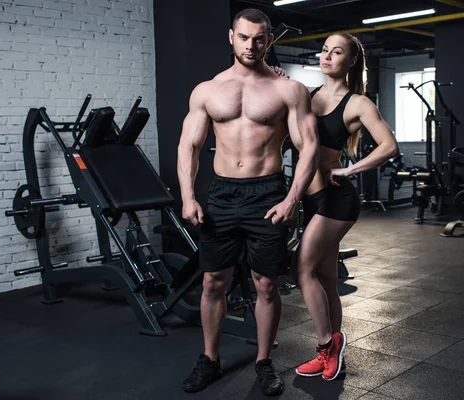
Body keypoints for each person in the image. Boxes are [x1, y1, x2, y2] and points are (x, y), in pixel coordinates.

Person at [177, 9, 319, 396]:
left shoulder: (288, 90)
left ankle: (263, 363)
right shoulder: (207, 90)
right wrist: (188, 196)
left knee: (267, 285)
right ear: (231, 37)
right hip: (221, 194)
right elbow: (189, 145)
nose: (251, 45)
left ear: (269, 40)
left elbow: (308, 147)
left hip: (268, 193)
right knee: (212, 281)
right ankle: (209, 359)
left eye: (259, 38)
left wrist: (292, 198)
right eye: (244, 37)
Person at [275, 33, 398, 381]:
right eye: (325, 50)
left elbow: (389, 145)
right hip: (313, 200)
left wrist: (348, 169)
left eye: (337, 51)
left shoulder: (357, 103)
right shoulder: (309, 96)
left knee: (301, 270)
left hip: (336, 201)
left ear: (351, 61)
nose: (327, 56)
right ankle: (334, 353)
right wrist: (283, 88)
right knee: (326, 278)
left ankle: (326, 346)